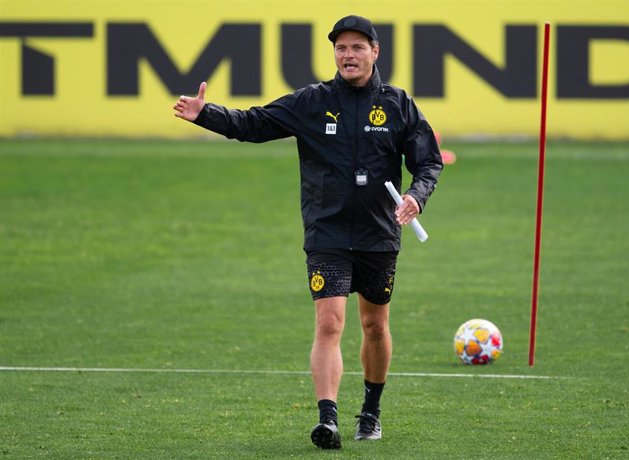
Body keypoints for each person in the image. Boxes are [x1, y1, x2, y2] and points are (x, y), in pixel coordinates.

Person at [173, 14, 443, 450]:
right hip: (327, 233)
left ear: (375, 52)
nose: (348, 54)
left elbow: (428, 161)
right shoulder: (312, 102)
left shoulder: (398, 104)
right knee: (329, 322)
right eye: (341, 47)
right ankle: (328, 419)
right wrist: (208, 115)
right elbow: (253, 123)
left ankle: (371, 412)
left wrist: (416, 196)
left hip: (379, 234)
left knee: (375, 325)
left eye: (358, 47)